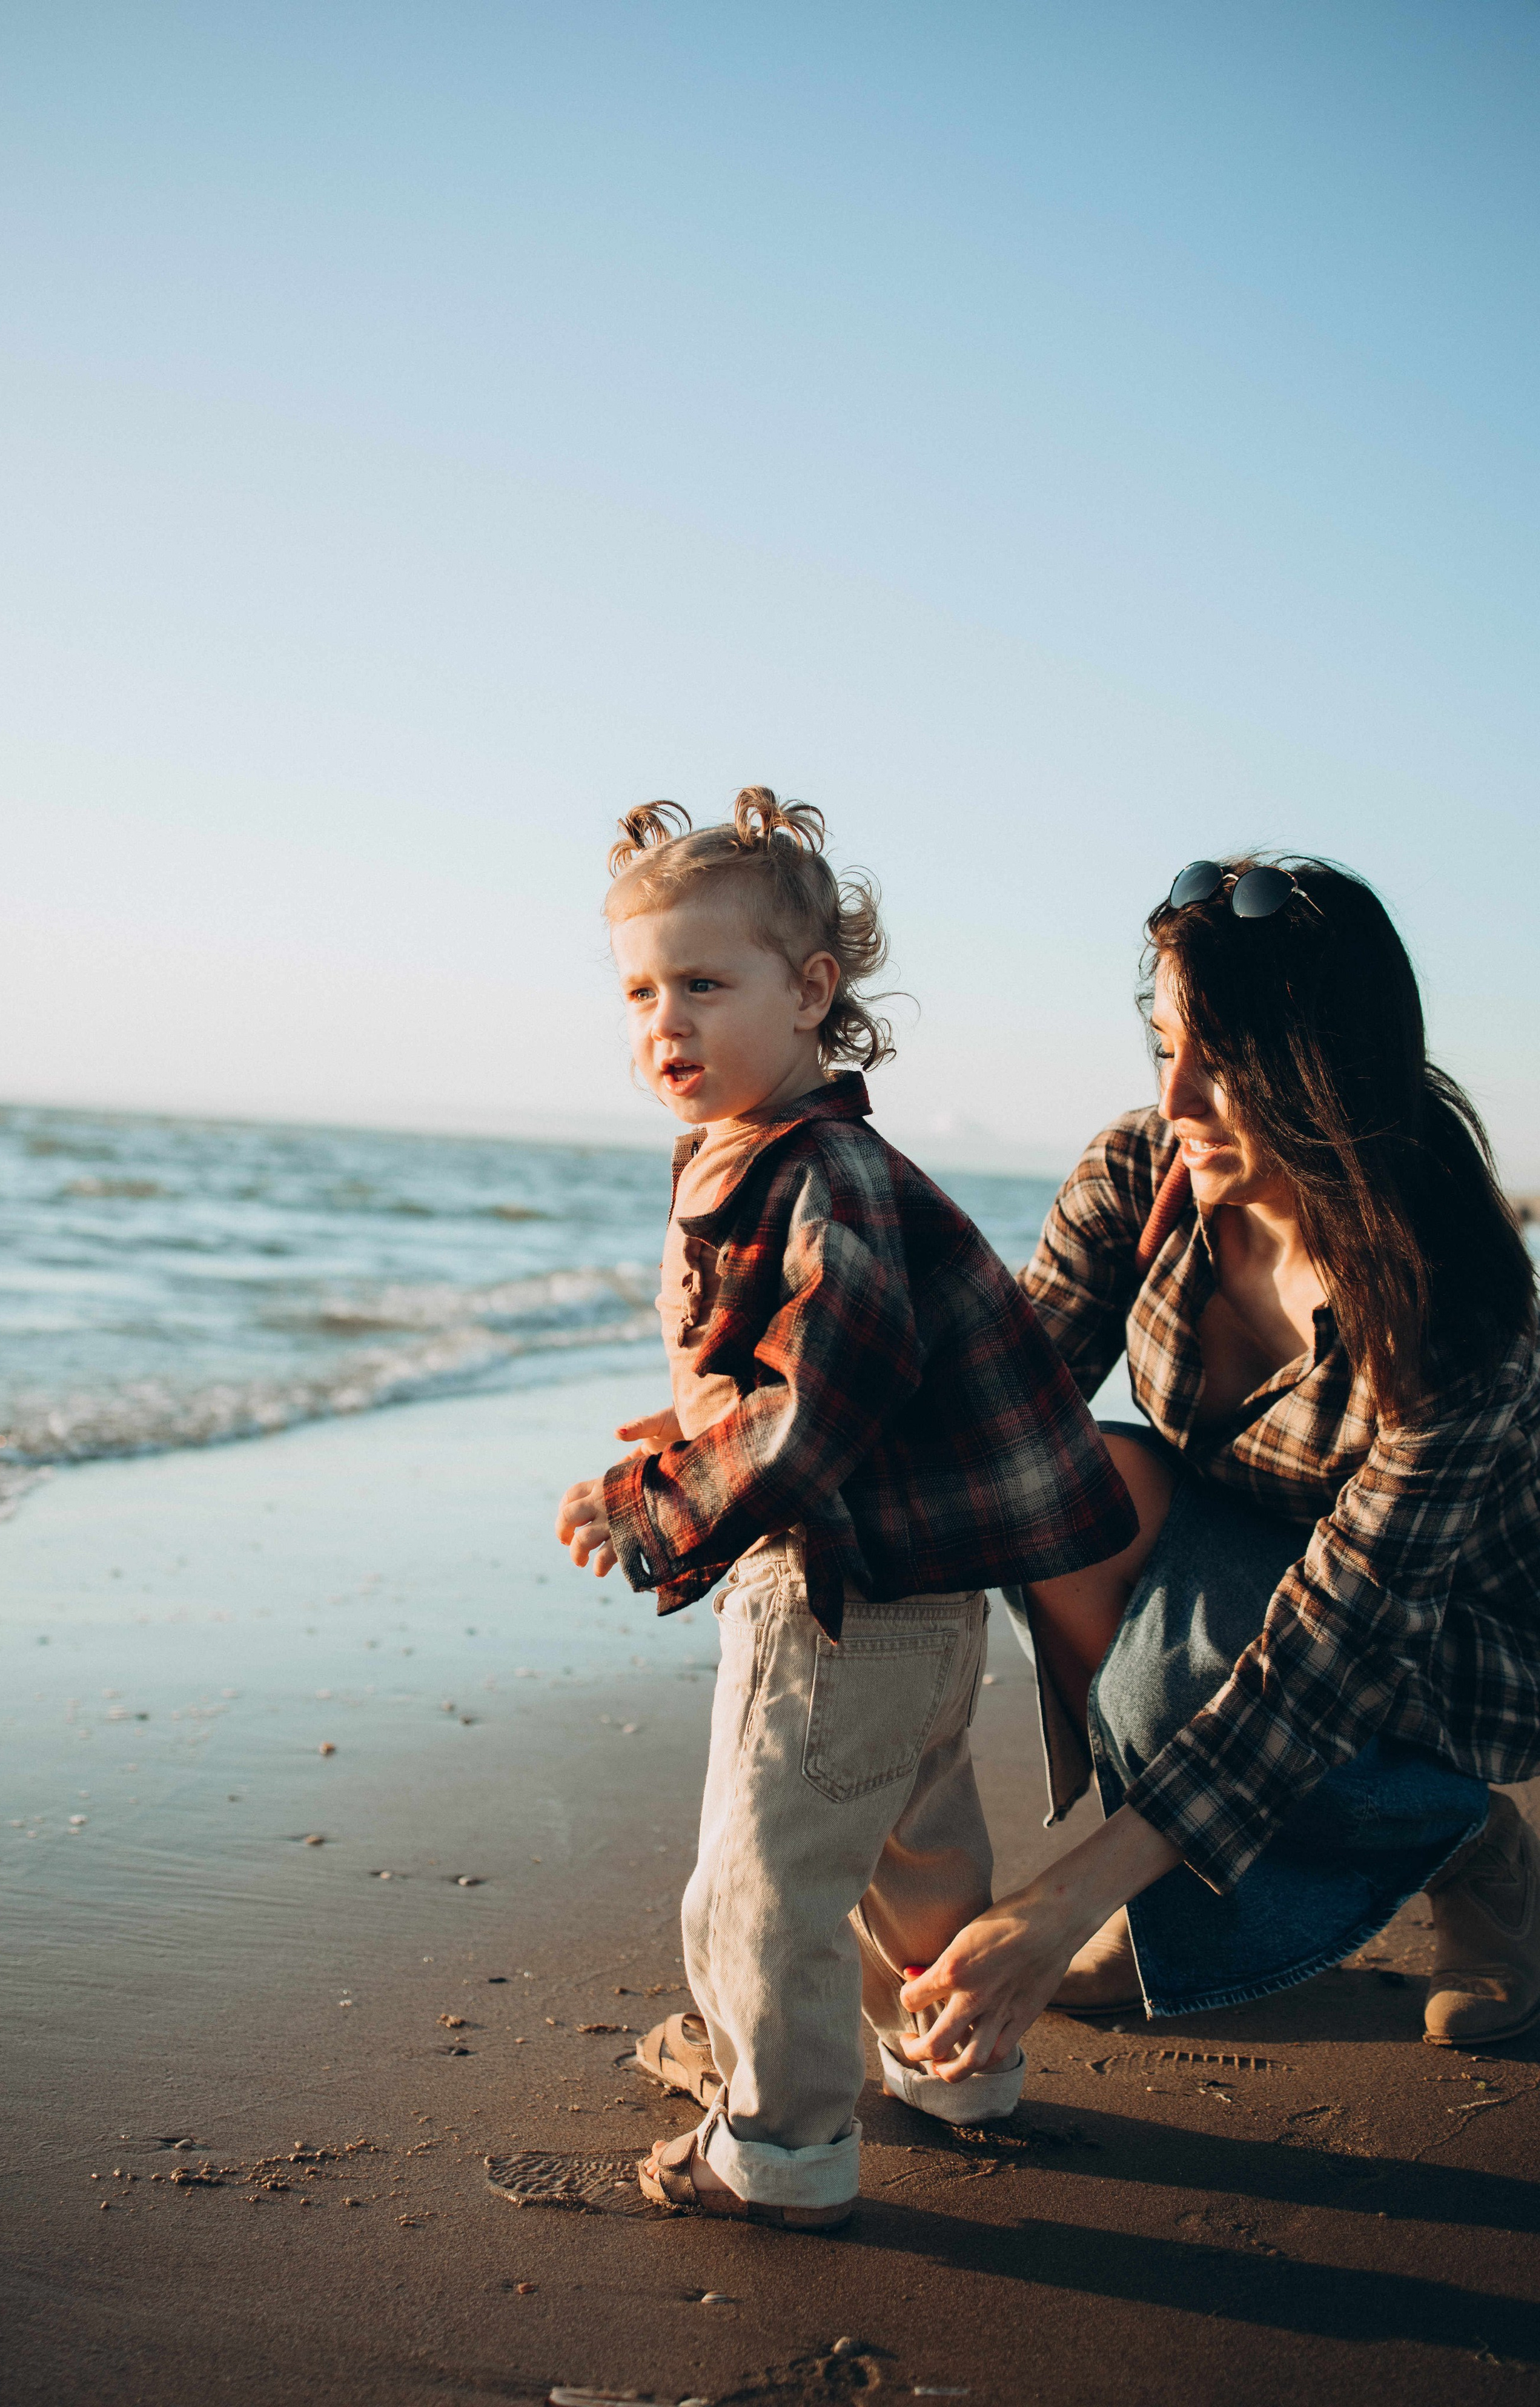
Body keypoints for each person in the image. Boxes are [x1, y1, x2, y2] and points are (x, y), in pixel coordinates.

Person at [554, 788, 1138, 2229]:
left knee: (760, 1884)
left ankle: (782, 2140)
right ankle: (950, 2066)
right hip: (924, 1602)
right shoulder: (773, 1148)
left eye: (702, 984)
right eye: (638, 992)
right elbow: (803, 1369)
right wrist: (699, 1420)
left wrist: (655, 1502)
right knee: (911, 1855)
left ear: (810, 991)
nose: (662, 1024)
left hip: (831, 1602)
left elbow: (827, 1395)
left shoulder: (817, 1168)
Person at [898, 856, 1540, 2090]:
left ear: (1325, 1076)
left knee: (1168, 1688)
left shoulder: (1454, 1311)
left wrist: (1048, 1906)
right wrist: (758, 1432)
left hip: (1450, 1643)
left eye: (1223, 1064)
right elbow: (993, 1421)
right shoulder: (1142, 1171)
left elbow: (1335, 1644)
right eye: (1161, 1049)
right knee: (1068, 1483)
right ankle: (1165, 1906)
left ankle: (1462, 1844)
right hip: (1245, 1562)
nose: (1175, 1096)